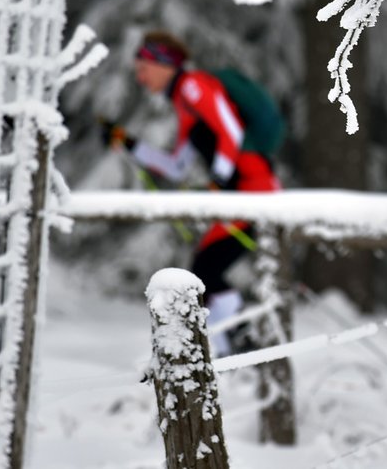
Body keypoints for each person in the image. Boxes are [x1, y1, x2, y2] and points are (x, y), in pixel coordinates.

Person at [103, 30, 281, 356]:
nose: (140, 77)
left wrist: (218, 181)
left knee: (205, 272)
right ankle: (238, 349)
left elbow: (230, 129)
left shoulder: (193, 85)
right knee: (204, 271)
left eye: (143, 67)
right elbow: (176, 166)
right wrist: (127, 142)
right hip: (241, 192)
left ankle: (241, 349)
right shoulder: (185, 102)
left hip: (253, 190)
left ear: (164, 64)